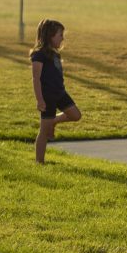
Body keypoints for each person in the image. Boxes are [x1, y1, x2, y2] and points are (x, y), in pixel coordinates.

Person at [30, 18, 82, 164]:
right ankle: (39, 162)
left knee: (76, 115)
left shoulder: (55, 54)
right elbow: (36, 78)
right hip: (48, 97)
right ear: (50, 36)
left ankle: (54, 121)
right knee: (44, 132)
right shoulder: (38, 55)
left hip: (60, 93)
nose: (63, 38)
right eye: (60, 35)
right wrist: (39, 99)